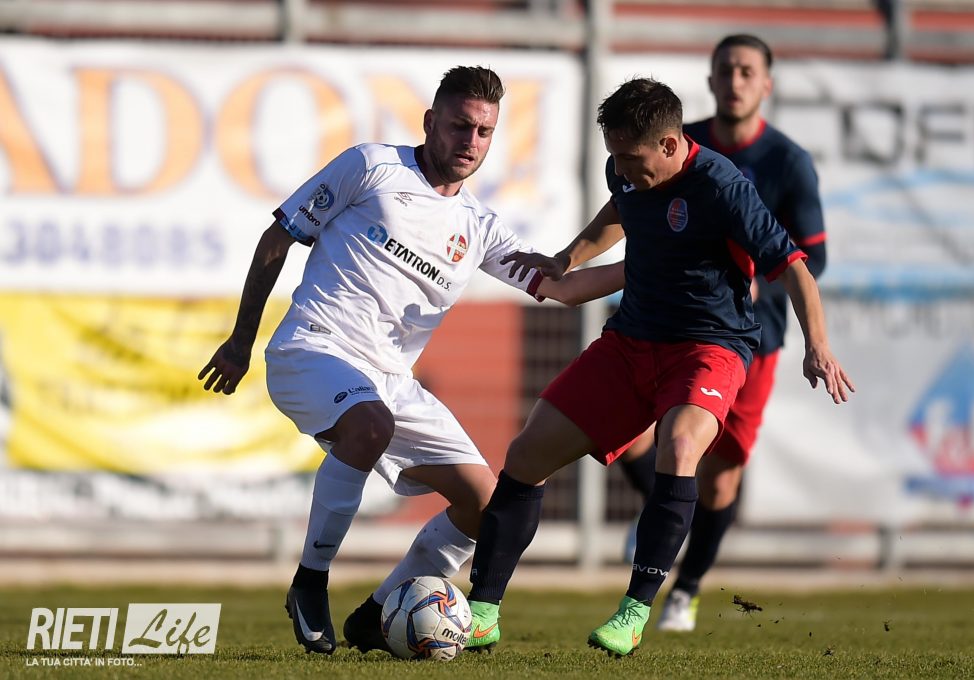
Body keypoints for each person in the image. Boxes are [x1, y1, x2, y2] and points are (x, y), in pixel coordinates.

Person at [198, 66, 623, 656]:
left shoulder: (478, 227)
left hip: (392, 383)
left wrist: (650, 266)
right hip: (313, 347)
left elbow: (562, 287)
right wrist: (241, 340)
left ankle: (376, 616)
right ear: (430, 122)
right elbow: (278, 238)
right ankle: (310, 582)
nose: (470, 142)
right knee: (370, 424)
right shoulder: (371, 166)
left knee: (484, 503)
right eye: (459, 126)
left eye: (484, 132)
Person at [463, 77, 853, 657]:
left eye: (632, 158)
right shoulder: (625, 168)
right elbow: (619, 210)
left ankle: (635, 611)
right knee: (526, 455)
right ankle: (482, 612)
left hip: (709, 346)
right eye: (615, 157)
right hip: (631, 340)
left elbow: (794, 266)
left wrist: (817, 345)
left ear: (670, 145)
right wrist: (567, 259)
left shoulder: (723, 186)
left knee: (681, 446)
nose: (621, 168)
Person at [614, 34, 830, 632]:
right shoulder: (676, 147)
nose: (735, 81)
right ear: (710, 81)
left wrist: (755, 279)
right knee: (628, 438)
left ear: (766, 84)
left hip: (750, 339)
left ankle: (684, 589)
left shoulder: (788, 162)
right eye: (725, 70)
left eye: (746, 71)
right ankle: (664, 514)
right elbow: (633, 214)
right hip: (665, 327)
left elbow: (811, 258)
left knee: (722, 477)